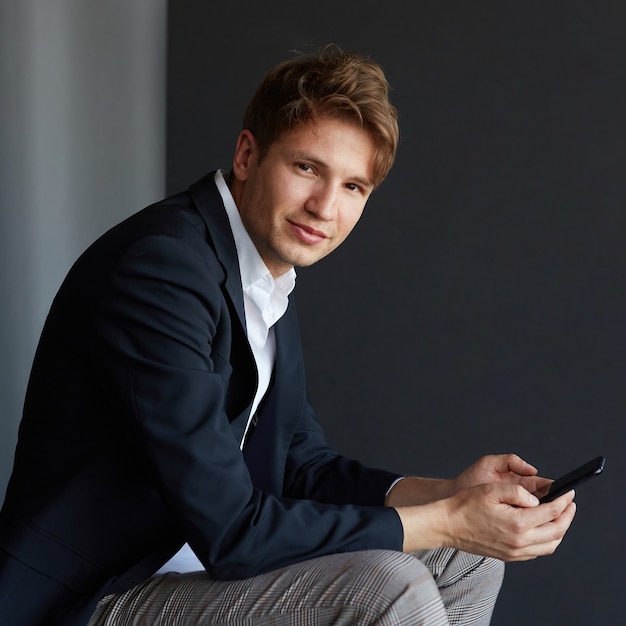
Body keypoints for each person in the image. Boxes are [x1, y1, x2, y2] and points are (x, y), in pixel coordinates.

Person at [0, 44, 576, 625]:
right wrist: (450, 518)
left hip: (194, 575)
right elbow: (232, 531)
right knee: (390, 584)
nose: (325, 207)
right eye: (308, 168)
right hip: (101, 594)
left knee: (467, 560)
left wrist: (446, 495)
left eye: (354, 187)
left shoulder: (261, 272)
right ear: (248, 155)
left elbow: (303, 467)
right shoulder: (163, 270)